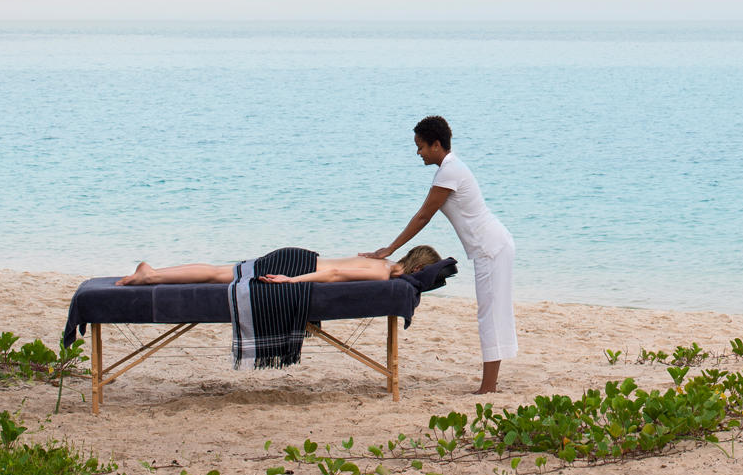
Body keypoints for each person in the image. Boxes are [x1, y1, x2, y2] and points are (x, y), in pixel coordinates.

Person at [363, 115, 515, 393]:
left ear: (436, 145)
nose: (417, 152)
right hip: (493, 246)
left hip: (491, 248)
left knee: (491, 315)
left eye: (420, 146)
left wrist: (390, 249)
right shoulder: (451, 169)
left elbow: (423, 216)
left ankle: (488, 387)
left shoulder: (449, 172)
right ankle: (489, 384)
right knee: (493, 313)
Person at [115, 245, 442, 286]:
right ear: (416, 269)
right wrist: (292, 280)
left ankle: (154, 272)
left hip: (301, 257)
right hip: (297, 265)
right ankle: (153, 275)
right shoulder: (381, 272)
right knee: (219, 275)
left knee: (221, 271)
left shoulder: (381, 261)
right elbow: (335, 273)